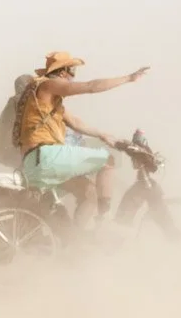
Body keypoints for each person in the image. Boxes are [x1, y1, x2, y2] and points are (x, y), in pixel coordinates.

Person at [13, 50, 149, 224]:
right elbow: (91, 86)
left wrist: (102, 135)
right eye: (72, 72)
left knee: (89, 193)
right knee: (108, 162)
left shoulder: (44, 100)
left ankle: (77, 240)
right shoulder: (47, 85)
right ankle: (104, 220)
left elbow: (75, 123)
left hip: (33, 163)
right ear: (62, 72)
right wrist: (129, 78)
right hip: (46, 156)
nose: (72, 77)